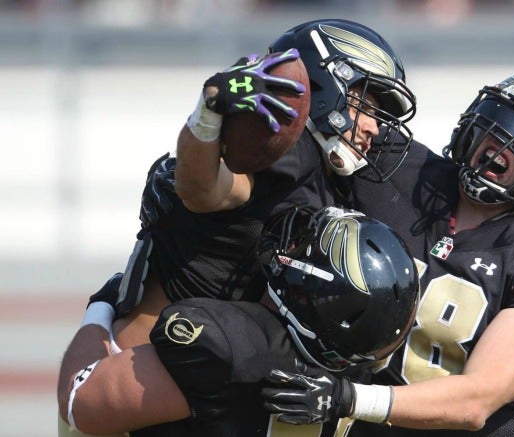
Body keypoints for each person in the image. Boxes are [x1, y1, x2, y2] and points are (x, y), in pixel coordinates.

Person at [57, 18, 417, 435]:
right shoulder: (288, 154)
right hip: (148, 372)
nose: (374, 126)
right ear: (323, 86)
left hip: (211, 375)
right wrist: (208, 115)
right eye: (366, 104)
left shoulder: (326, 175)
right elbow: (205, 188)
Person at [260, 71, 514, 436]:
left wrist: (351, 399)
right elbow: (322, 117)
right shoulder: (394, 167)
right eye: (495, 126)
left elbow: (476, 400)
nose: (497, 148)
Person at [58, 205, 421, 436]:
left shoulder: (228, 344)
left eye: (303, 248)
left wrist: (102, 305)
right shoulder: (354, 375)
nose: (291, 245)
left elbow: (79, 403)